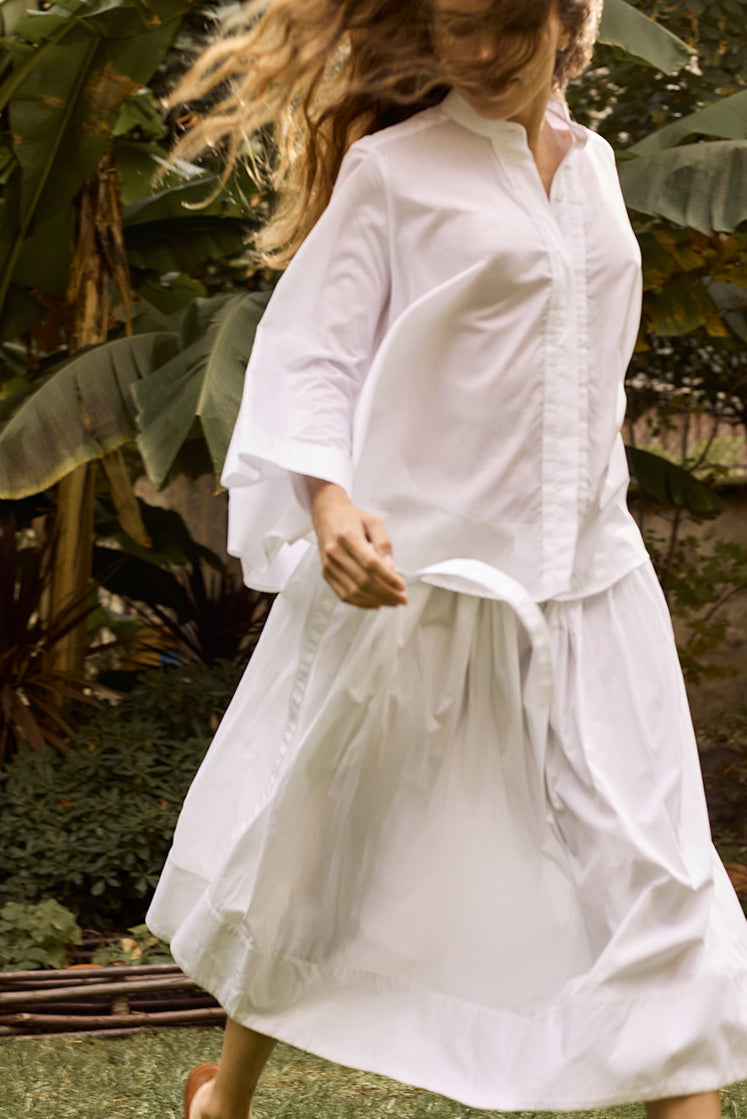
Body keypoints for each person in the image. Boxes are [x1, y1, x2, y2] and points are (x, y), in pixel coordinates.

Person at [144, 2, 747, 1118]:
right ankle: (226, 1096)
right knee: (318, 858)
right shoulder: (393, 171)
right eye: (454, 26)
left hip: (592, 589)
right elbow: (315, 353)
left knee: (656, 877)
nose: (471, 53)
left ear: (570, 18)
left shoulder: (600, 170)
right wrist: (327, 503)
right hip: (420, 585)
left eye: (501, 27)